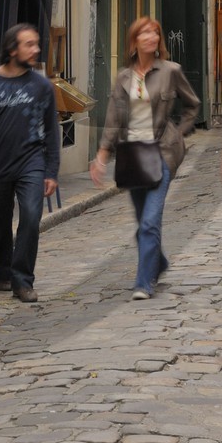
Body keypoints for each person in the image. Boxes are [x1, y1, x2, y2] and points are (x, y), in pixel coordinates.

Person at [89, 16, 202, 301]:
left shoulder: (170, 71)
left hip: (161, 152)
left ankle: (143, 282)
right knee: (143, 223)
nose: (151, 37)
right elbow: (114, 118)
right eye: (145, 33)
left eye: (155, 33)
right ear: (134, 40)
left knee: (151, 221)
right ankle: (158, 262)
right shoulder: (124, 77)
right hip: (131, 156)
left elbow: (193, 105)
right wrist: (102, 154)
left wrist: (178, 134)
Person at [0, 23, 61, 303]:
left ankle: (23, 280)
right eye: (29, 44)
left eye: (36, 43)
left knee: (31, 216)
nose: (36, 49)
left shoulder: (41, 86)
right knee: (0, 221)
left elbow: (52, 130)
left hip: (30, 162)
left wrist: (51, 170)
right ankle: (3, 270)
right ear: (12, 49)